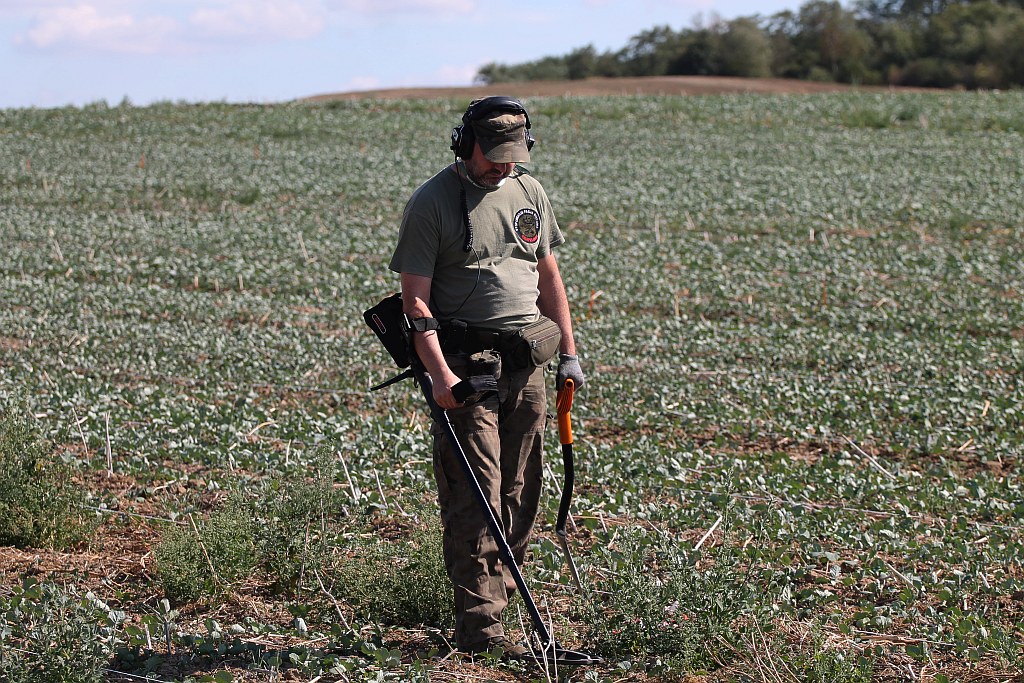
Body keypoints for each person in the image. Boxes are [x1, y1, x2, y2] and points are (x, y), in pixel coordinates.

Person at [388, 96, 585, 656]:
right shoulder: (432, 202)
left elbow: (547, 274)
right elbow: (415, 301)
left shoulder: (529, 191)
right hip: (466, 370)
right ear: (465, 145)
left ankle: (503, 602)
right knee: (476, 497)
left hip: (527, 363)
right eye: (493, 155)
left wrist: (569, 354)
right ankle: (480, 632)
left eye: (513, 155)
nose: (503, 165)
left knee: (519, 491)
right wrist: (440, 376)